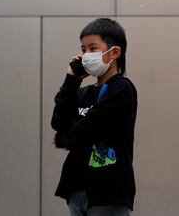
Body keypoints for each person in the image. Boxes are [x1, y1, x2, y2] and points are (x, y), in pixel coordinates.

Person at [51, 18, 138, 215]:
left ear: (114, 52)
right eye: (83, 50)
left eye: (92, 48)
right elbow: (58, 122)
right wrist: (71, 81)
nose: (85, 56)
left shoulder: (121, 89)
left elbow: (89, 128)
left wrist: (64, 139)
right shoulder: (83, 93)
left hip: (108, 192)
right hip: (77, 189)